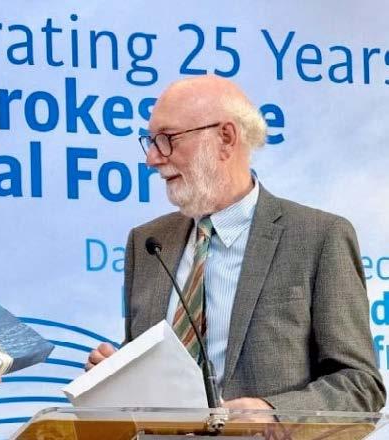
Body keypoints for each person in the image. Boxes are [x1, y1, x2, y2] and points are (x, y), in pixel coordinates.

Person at [86, 75, 385, 412]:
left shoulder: (319, 237)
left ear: (225, 138)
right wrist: (116, 376)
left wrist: (273, 415)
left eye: (167, 139)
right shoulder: (148, 243)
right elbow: (150, 376)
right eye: (151, 142)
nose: (152, 159)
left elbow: (360, 385)